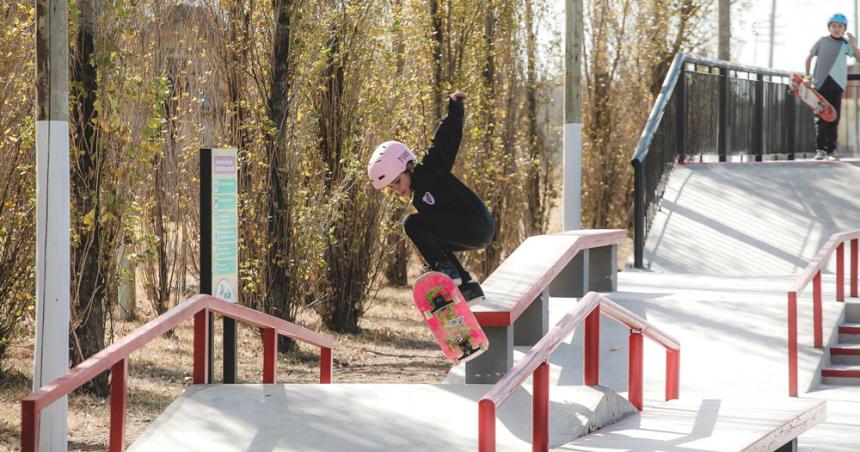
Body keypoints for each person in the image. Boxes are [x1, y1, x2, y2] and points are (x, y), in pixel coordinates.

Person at [367, 91, 493, 303]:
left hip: (476, 223)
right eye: (391, 187)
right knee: (429, 237)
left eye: (397, 181)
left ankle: (449, 274)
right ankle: (466, 286)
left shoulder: (431, 169)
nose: (397, 190)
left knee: (412, 224)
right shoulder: (419, 200)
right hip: (475, 231)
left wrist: (455, 108)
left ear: (408, 166)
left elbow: (446, 139)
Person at [805, 12, 860, 161]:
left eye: (840, 26)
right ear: (829, 28)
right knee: (821, 118)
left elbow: (859, 58)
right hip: (820, 85)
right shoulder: (822, 41)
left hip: (837, 86)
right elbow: (809, 57)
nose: (836, 28)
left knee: (834, 118)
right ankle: (820, 150)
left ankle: (832, 150)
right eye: (833, 26)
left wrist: (854, 44)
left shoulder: (846, 44)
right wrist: (807, 77)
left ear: (844, 29)